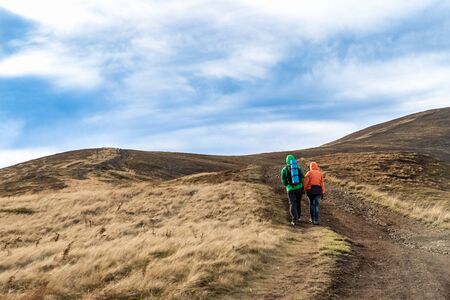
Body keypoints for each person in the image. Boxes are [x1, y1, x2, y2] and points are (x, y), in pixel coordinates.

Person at [281, 154, 304, 226]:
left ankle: (295, 220)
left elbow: (283, 180)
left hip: (290, 189)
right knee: (298, 202)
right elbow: (303, 178)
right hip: (299, 188)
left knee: (292, 204)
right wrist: (300, 185)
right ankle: (299, 217)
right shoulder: (298, 167)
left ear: (286, 160)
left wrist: (287, 186)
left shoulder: (284, 169)